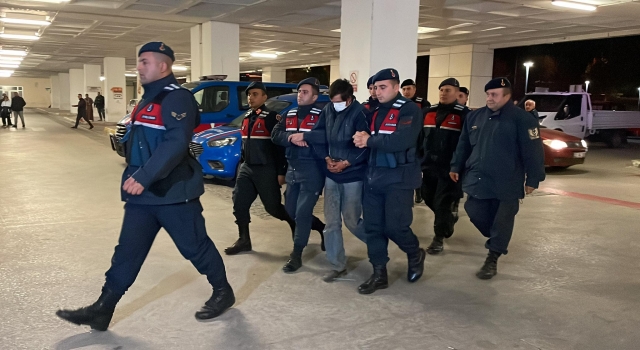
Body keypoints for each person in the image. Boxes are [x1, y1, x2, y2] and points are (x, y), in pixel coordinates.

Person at [56, 42, 234, 331]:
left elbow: (176, 143)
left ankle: (223, 291)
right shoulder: (145, 100)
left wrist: (143, 176)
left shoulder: (178, 98)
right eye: (139, 62)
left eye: (145, 61)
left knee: (195, 247)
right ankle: (103, 309)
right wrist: (127, 142)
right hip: (143, 194)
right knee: (127, 251)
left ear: (163, 65)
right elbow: (145, 143)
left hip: (174, 192)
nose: (139, 67)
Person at [449, 77, 545, 280]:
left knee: (503, 221)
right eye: (487, 94)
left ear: (507, 96)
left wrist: (533, 179)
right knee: (473, 210)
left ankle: (493, 257)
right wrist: (456, 165)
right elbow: (464, 144)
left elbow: (533, 151)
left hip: (507, 181)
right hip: (478, 177)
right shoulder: (475, 117)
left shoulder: (523, 119)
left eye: (494, 95)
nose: (489, 98)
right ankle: (496, 237)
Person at [225, 81, 325, 256]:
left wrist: (281, 171)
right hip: (247, 168)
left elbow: (279, 147)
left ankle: (314, 225)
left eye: (255, 94)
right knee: (239, 203)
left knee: (274, 208)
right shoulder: (247, 117)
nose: (251, 97)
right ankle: (244, 240)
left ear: (264, 97)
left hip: (266, 169)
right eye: (249, 94)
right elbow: (244, 146)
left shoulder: (272, 117)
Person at [353, 68, 426, 294]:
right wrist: (360, 139)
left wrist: (369, 140)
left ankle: (414, 252)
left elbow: (402, 140)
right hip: (373, 176)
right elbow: (361, 137)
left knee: (395, 226)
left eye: (383, 87)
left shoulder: (409, 109)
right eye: (375, 87)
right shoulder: (372, 111)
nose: (378, 91)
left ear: (396, 87)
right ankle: (379, 274)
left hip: (399, 177)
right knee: (373, 227)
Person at [306, 79, 369, 281]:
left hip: (353, 176)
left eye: (339, 102)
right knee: (331, 222)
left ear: (349, 99)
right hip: (332, 174)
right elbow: (318, 135)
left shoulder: (361, 114)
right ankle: (337, 264)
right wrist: (326, 158)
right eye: (332, 101)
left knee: (351, 220)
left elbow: (366, 146)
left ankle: (377, 243)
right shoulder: (328, 111)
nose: (336, 105)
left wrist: (347, 163)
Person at [272, 77, 327, 273]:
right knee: (291, 210)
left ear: (314, 96)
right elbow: (275, 135)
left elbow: (327, 136)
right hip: (292, 169)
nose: (300, 95)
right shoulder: (289, 113)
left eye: (305, 92)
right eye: (299, 91)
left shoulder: (322, 114)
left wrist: (306, 137)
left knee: (302, 213)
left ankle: (296, 254)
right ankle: (322, 228)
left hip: (312, 169)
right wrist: (290, 138)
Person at [420, 78, 470, 255]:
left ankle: (438, 238)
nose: (443, 93)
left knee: (442, 203)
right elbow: (420, 138)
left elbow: (466, 143)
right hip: (428, 166)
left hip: (449, 169)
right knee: (428, 197)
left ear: (457, 93)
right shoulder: (428, 112)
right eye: (441, 90)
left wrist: (460, 165)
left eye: (448, 90)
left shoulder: (464, 114)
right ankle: (449, 217)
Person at [400, 79, 428, 204]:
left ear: (414, 89)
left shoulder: (422, 103)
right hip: (404, 139)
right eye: (404, 89)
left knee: (417, 167)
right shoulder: (399, 103)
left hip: (418, 139)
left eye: (409, 89)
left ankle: (418, 191)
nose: (406, 92)